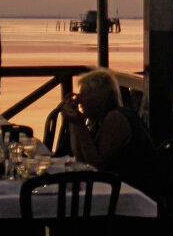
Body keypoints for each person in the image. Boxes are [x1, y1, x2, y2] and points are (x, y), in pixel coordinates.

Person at [60, 69, 159, 197]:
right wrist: (73, 123)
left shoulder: (116, 118)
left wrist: (79, 125)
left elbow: (96, 166)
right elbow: (81, 160)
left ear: (102, 98)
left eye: (84, 93)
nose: (78, 99)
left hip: (136, 196)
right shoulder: (100, 120)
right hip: (115, 190)